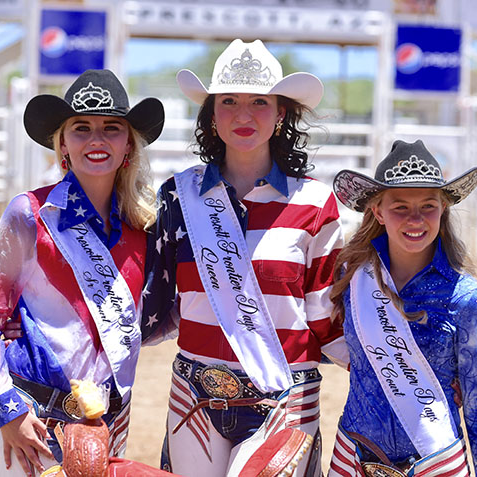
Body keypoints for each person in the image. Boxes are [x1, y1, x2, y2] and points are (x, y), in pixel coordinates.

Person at [141, 39, 348, 477]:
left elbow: (326, 318)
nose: (243, 114)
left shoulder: (315, 202)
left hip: (285, 394)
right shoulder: (179, 195)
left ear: (281, 114)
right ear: (211, 116)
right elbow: (155, 304)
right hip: (194, 394)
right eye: (228, 101)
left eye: (259, 102)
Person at [0, 69, 165, 477]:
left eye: (111, 128)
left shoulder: (146, 229)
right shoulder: (29, 213)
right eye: (81, 128)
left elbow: (152, 322)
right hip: (28, 417)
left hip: (107, 422)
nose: (96, 140)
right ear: (63, 145)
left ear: (128, 146)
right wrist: (7, 409)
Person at [326, 139, 477, 477]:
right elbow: (329, 343)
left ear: (443, 209)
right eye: (400, 207)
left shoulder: (465, 298)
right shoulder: (352, 280)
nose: (416, 219)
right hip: (354, 460)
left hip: (436, 463)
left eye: (428, 206)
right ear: (377, 211)